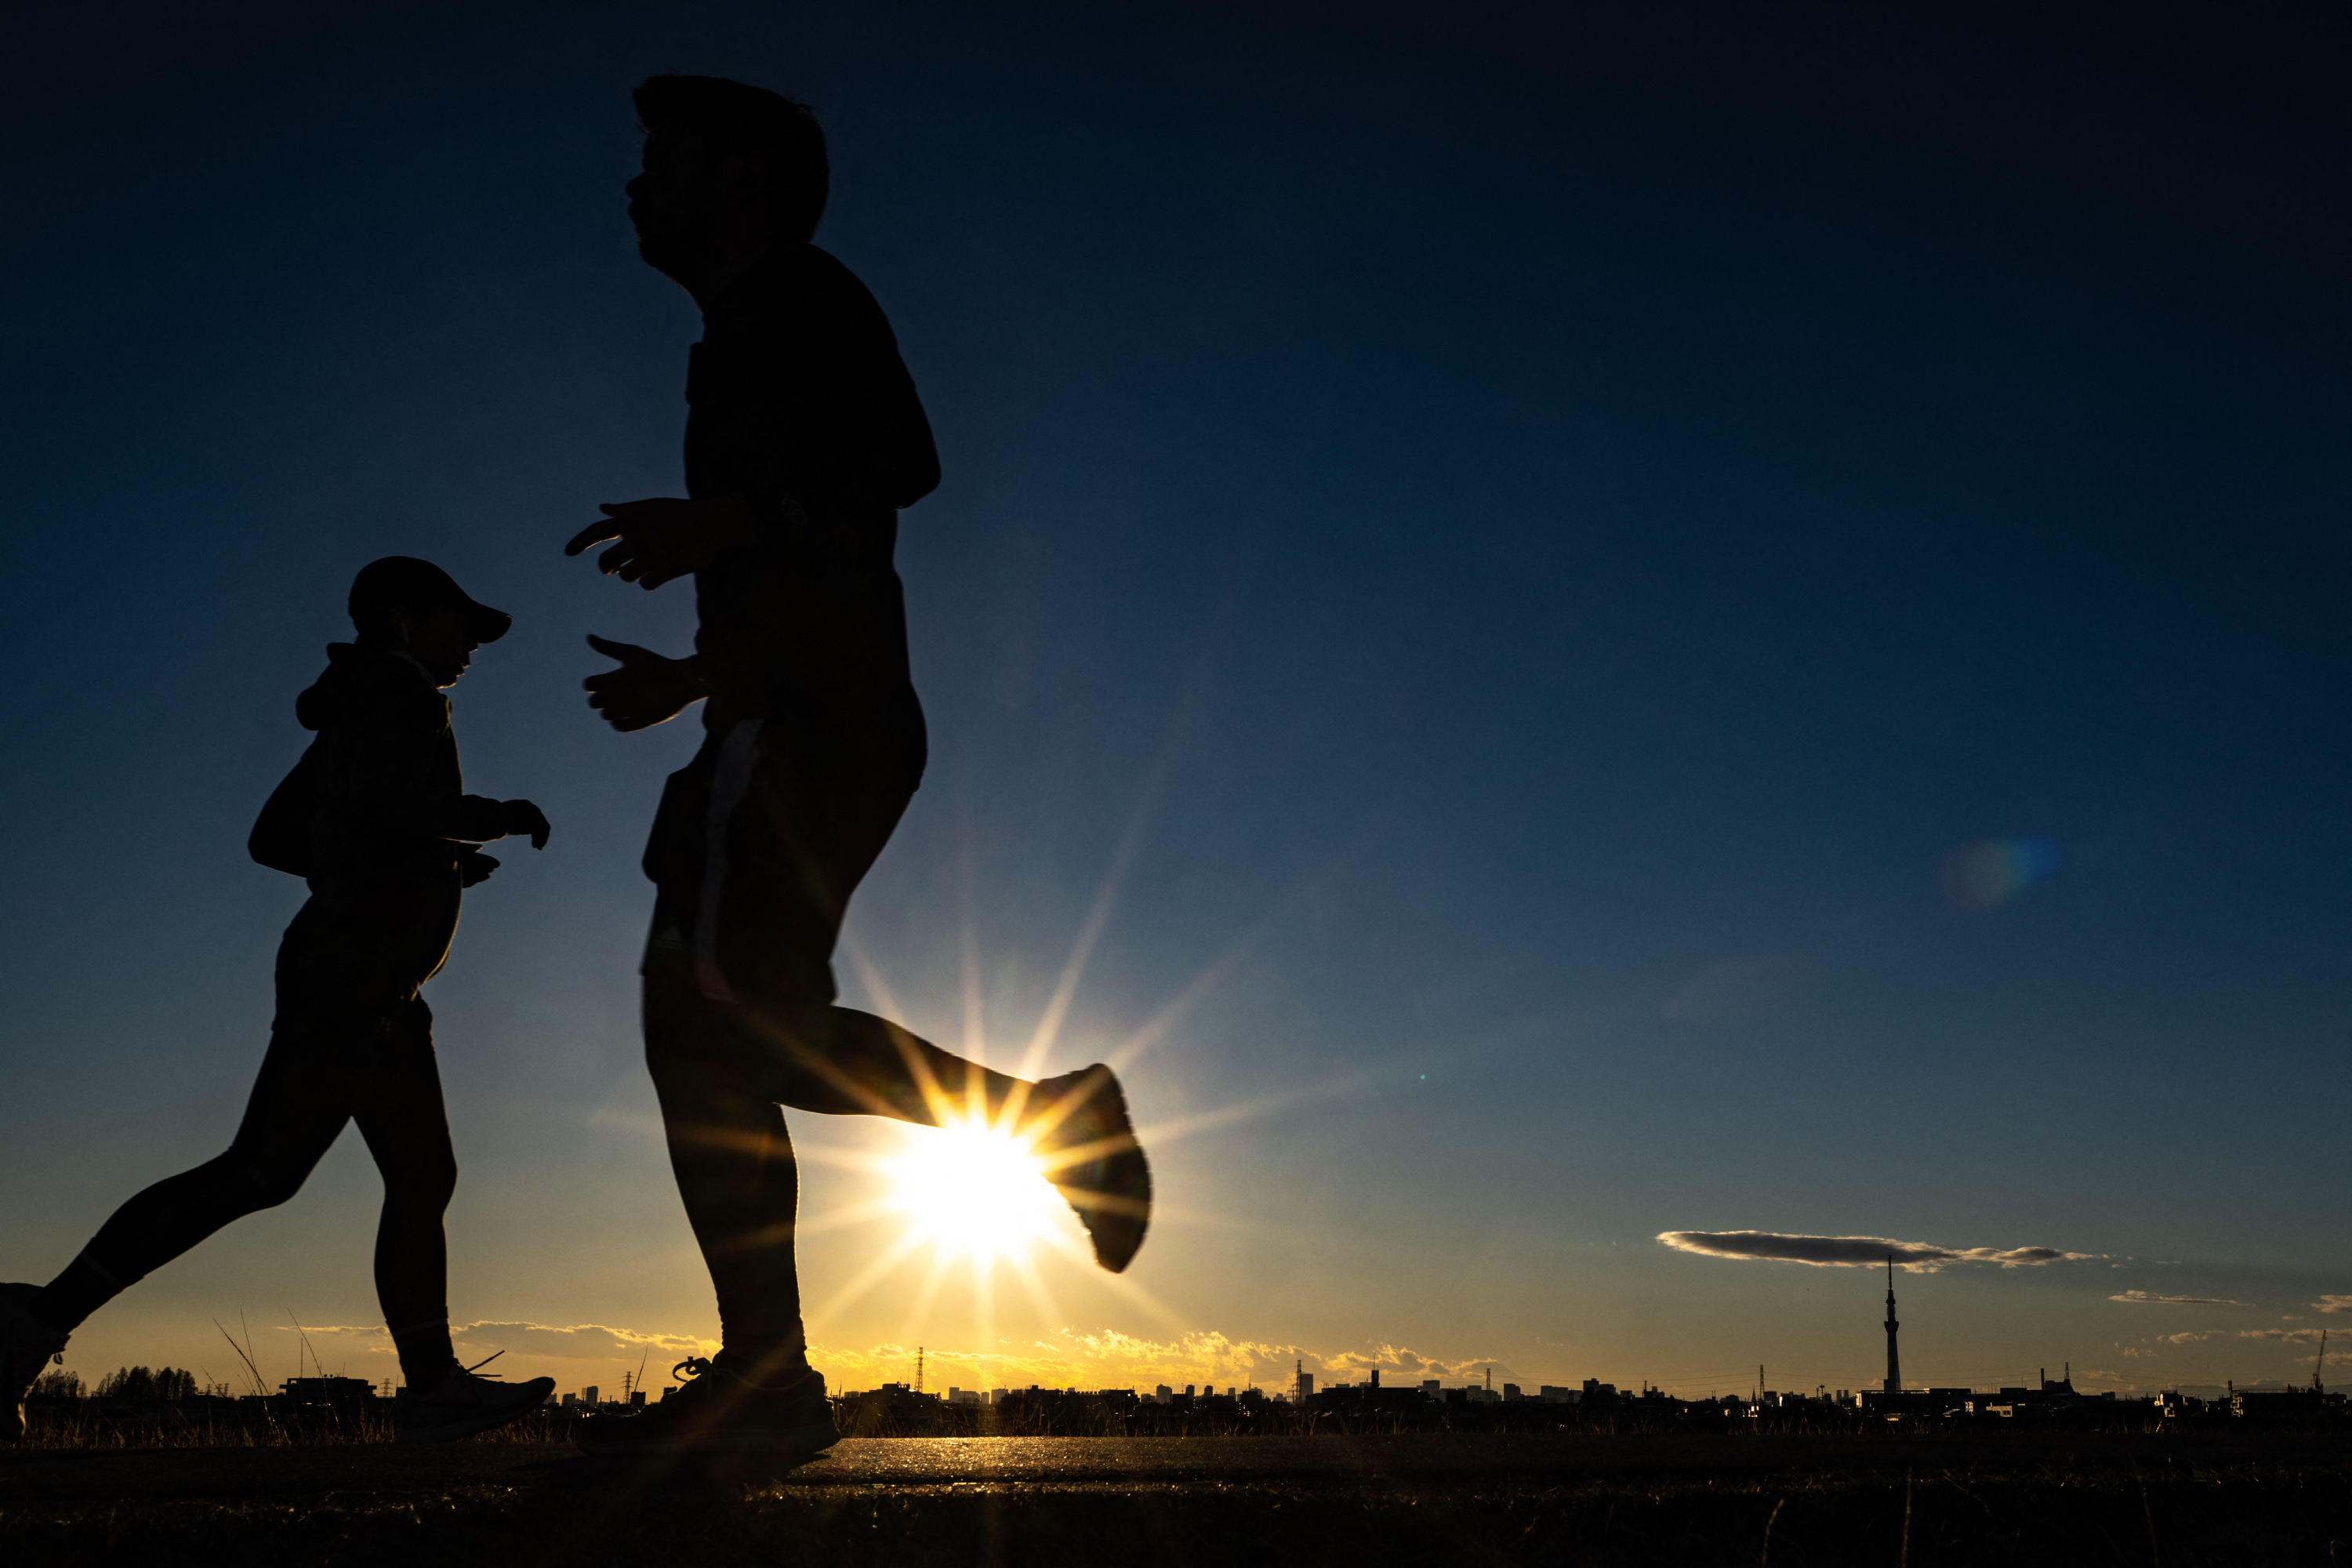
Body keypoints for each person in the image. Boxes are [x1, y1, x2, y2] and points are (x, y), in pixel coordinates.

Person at [564, 75, 1151, 1458]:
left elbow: (902, 464)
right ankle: (771, 1370)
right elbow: (820, 562)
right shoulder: (738, 332)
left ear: (748, 183)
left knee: (715, 1028)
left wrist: (727, 520)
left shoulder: (796, 296)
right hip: (781, 717)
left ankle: (1033, 1136)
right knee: (704, 1033)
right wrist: (695, 675)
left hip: (810, 727)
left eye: (665, 158)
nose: (635, 185)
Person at [1, 557, 557, 1444]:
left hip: (349, 967)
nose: (471, 649)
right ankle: (432, 1384)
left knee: (287, 1173)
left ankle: (29, 1326)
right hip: (358, 973)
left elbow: (281, 834)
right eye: (460, 627)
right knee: (354, 1173)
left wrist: (417, 858)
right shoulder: (401, 694)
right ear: (406, 622)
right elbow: (392, 808)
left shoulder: (354, 702)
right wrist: (481, 817)